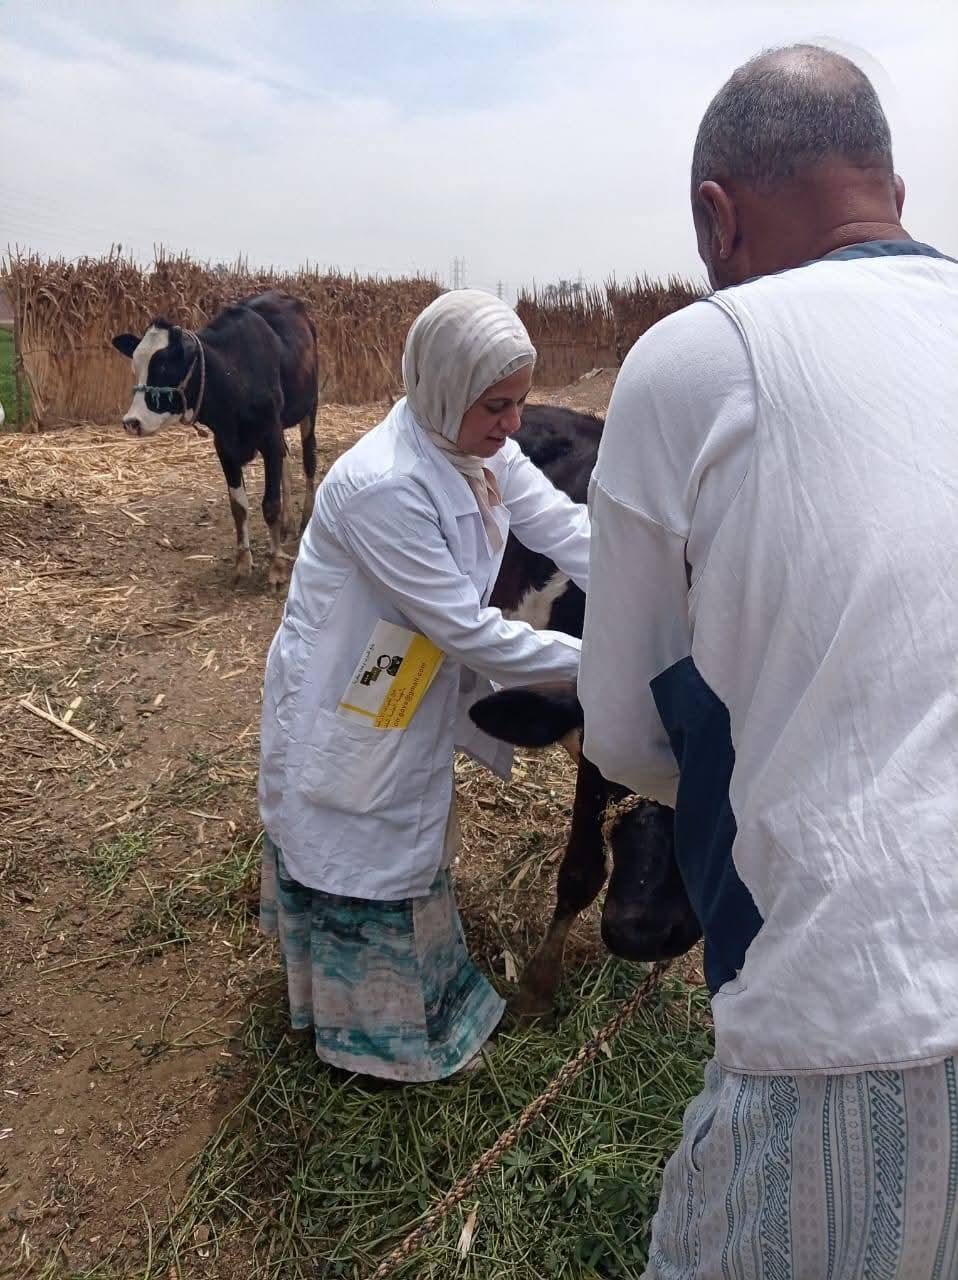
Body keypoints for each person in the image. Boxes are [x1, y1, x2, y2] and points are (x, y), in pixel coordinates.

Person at [579, 44, 958, 1279]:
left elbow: (621, 728)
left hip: (864, 1009)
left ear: (716, 218)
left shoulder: (701, 353)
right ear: (892, 190)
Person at [258, 290, 589, 1082]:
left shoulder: (476, 448)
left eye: (518, 402)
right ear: (443, 387)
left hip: (399, 672)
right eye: (497, 405)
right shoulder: (384, 486)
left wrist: (652, 593)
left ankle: (423, 1005)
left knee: (402, 820)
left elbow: (563, 527)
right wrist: (606, 658)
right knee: (361, 833)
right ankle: (374, 1042)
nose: (514, 422)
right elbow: (468, 631)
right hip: (354, 677)